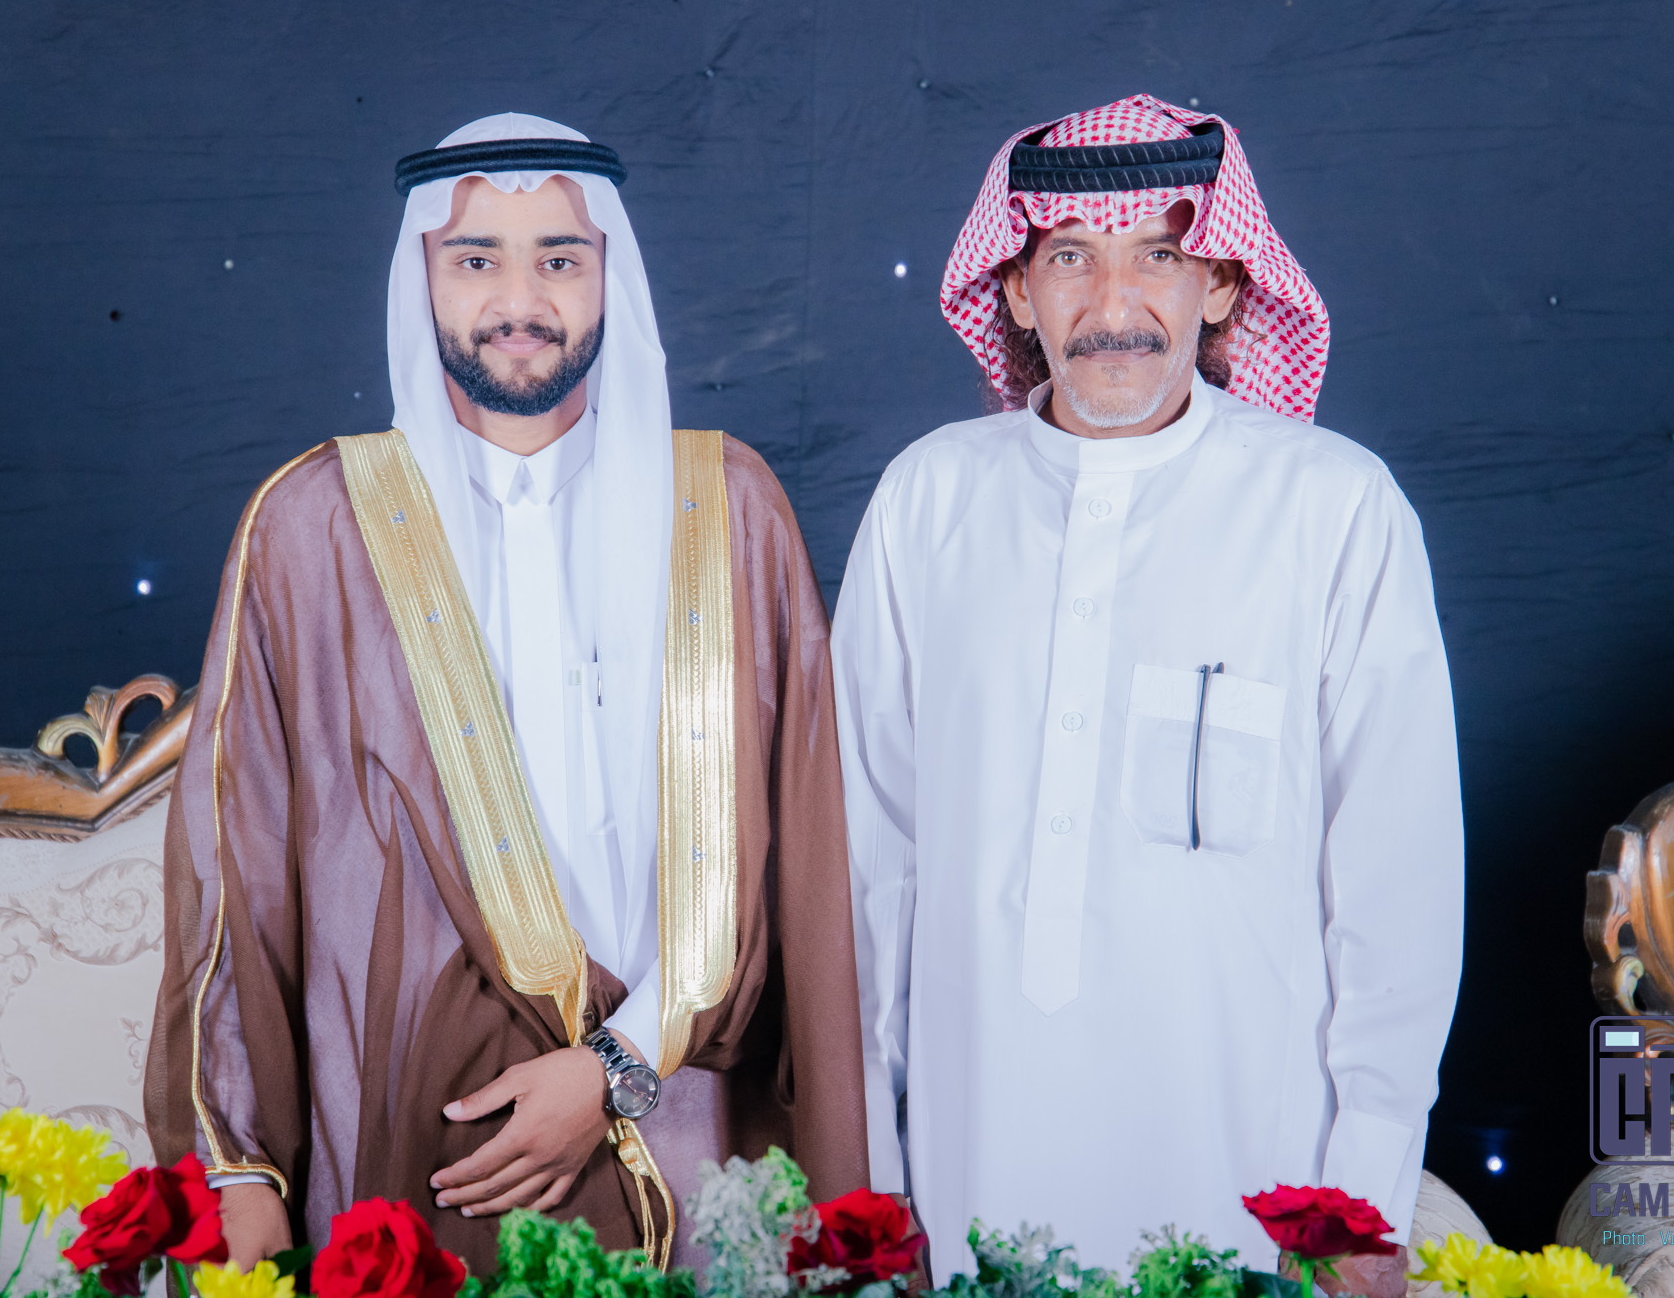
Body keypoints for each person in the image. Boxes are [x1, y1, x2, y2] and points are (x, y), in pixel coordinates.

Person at [145, 113, 868, 1274]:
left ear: (609, 278)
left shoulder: (726, 507)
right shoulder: (316, 525)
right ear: (421, 278)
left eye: (558, 259)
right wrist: (241, 1170)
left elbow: (806, 865)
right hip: (422, 1135)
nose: (519, 299)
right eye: (476, 259)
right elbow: (240, 876)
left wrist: (613, 1069)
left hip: (689, 1122)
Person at [832, 94, 1463, 1288]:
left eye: (1157, 258)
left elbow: (1397, 891)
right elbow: (868, 872)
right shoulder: (927, 501)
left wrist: (1357, 1208)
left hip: (1250, 1180)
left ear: (1219, 284)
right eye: (1070, 258)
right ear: (1015, 291)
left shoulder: (1333, 509)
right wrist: (868, 1185)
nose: (1112, 306)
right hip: (971, 1168)